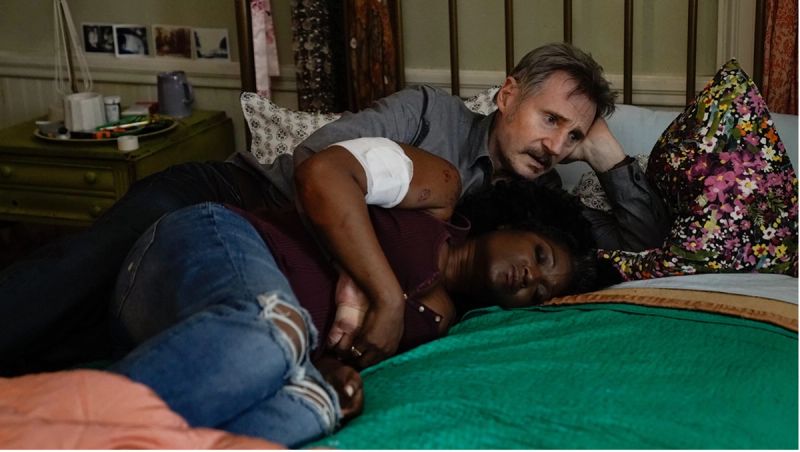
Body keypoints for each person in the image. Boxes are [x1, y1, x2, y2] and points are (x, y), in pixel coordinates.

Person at [0, 42, 667, 375]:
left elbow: (641, 240)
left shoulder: (531, 212)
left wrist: (606, 154)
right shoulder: (429, 114)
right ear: (507, 95)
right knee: (74, 275)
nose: (556, 146)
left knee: (93, 340)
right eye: (550, 120)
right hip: (233, 199)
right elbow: (318, 164)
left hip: (282, 270)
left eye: (573, 136)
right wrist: (375, 279)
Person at [106, 157, 599, 447]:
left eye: (541, 290)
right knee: (275, 334)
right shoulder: (438, 195)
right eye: (539, 254)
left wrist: (329, 370)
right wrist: (385, 297)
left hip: (206, 332)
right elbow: (325, 173)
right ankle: (70, 420)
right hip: (205, 245)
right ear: (516, 223)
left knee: (309, 409)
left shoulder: (437, 324)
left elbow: (330, 348)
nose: (531, 277)